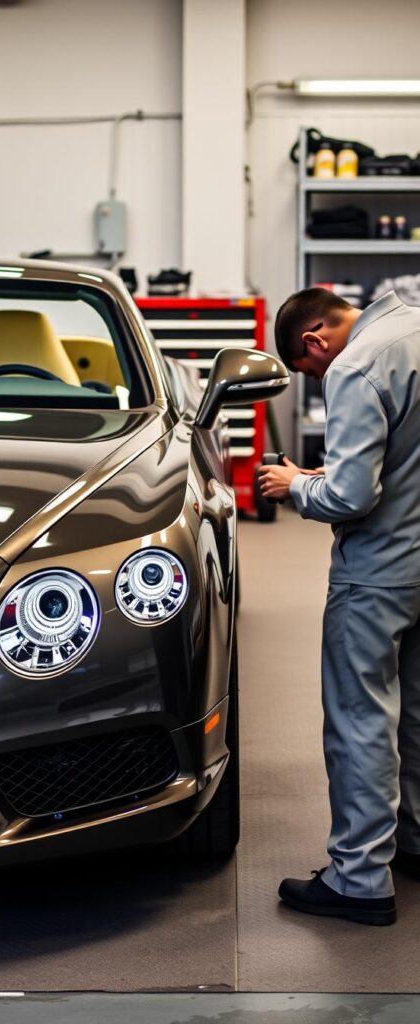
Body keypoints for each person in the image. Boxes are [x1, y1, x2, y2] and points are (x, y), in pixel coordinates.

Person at [259, 286, 420, 927]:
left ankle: (359, 879)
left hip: (378, 574)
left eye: (311, 371)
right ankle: (413, 841)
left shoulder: (357, 363)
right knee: (417, 713)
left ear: (314, 341)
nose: (320, 376)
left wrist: (295, 483)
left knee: (360, 720)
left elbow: (352, 494)